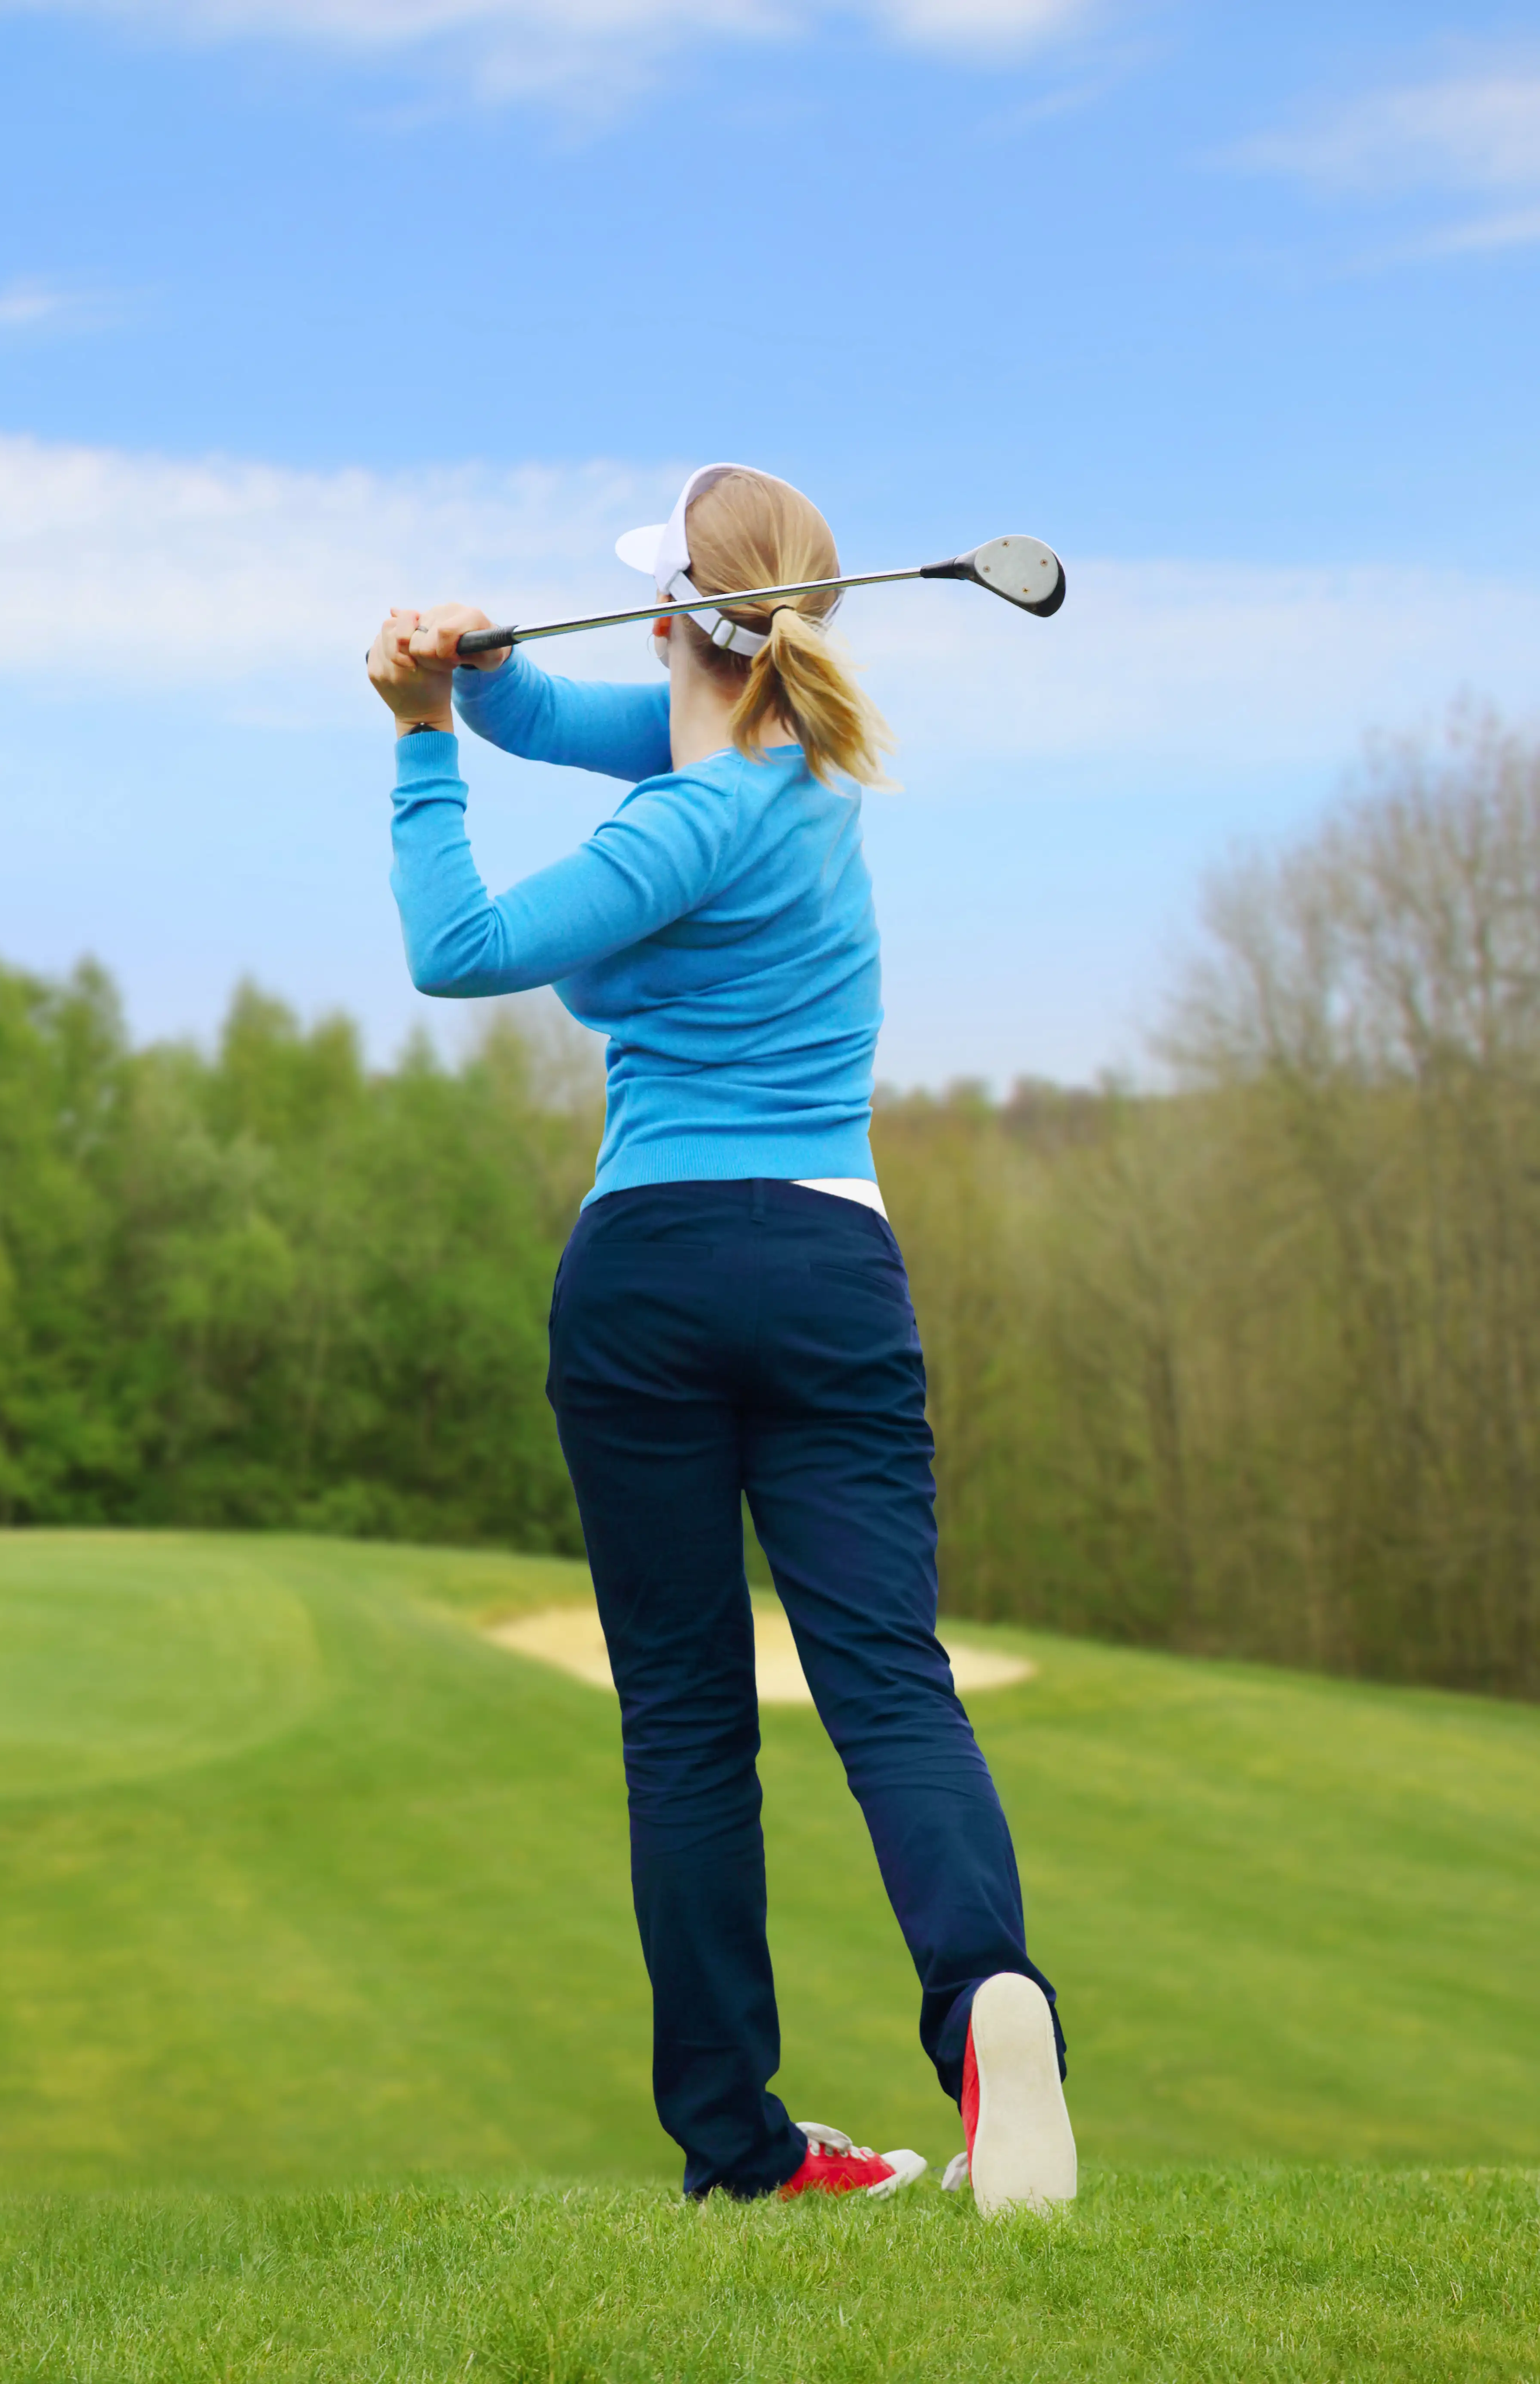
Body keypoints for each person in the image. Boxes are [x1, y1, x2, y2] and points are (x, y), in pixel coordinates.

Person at [365, 464, 1076, 2212]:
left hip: (652, 1275)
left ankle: (738, 2155)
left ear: (684, 619)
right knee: (884, 1677)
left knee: (685, 1718)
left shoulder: (677, 828)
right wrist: (475, 668)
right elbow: (580, 711)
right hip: (832, 1271)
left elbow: (457, 949)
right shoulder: (796, 768)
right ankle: (988, 2003)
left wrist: (412, 741)